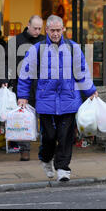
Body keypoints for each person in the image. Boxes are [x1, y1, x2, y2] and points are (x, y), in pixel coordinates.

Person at [17, 15, 98, 182]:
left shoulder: (73, 48)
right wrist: (23, 96)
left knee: (65, 136)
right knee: (49, 136)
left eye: (58, 30)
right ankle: (46, 159)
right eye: (52, 30)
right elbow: (25, 74)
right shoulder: (37, 49)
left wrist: (90, 90)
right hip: (46, 100)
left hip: (69, 99)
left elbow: (82, 71)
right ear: (47, 30)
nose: (55, 33)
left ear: (63, 30)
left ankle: (62, 168)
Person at [0, 15, 45, 161]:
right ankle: (24, 150)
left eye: (40, 28)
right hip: (23, 85)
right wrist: (4, 79)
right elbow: (5, 61)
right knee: (24, 117)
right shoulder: (16, 41)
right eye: (35, 28)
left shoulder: (45, 41)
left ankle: (46, 149)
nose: (37, 31)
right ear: (28, 25)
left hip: (43, 85)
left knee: (45, 118)